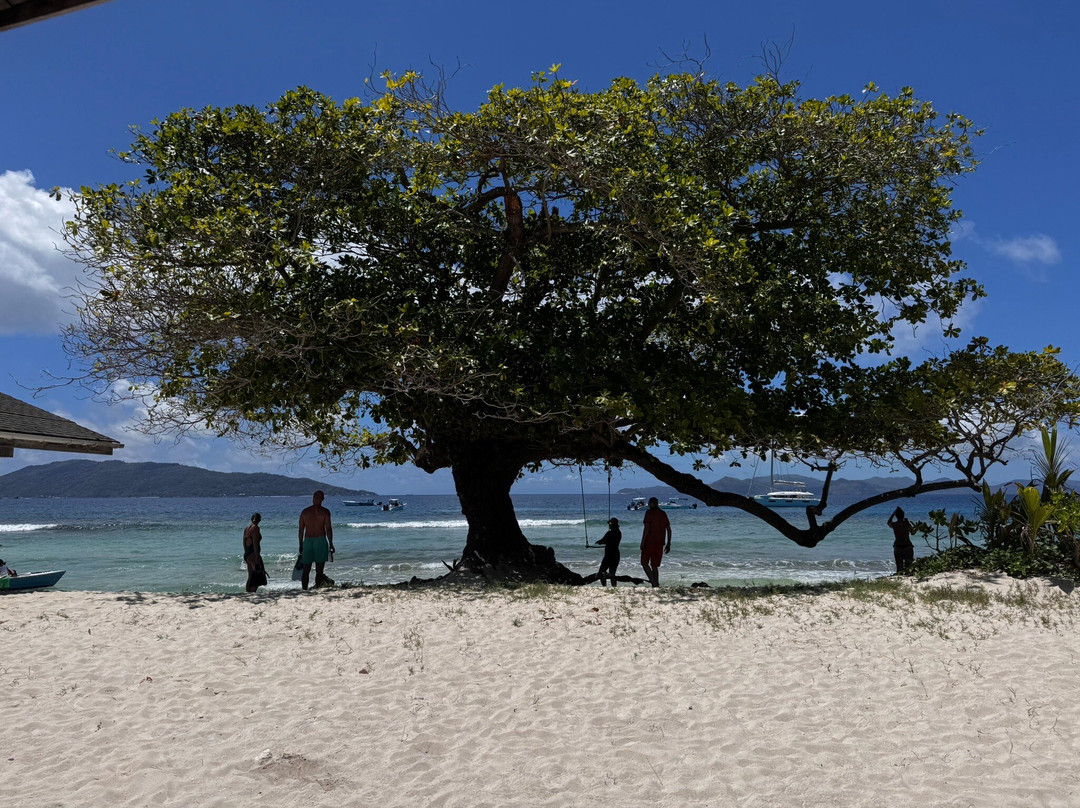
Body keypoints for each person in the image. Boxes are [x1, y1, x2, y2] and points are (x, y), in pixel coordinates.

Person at [298, 490, 335, 590]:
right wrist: (331, 543)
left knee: (306, 570)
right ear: (322, 499)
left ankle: (304, 590)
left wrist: (300, 544)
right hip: (321, 540)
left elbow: (301, 530)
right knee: (319, 570)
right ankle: (317, 588)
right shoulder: (325, 512)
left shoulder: (305, 512)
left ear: (313, 497)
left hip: (308, 541)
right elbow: (328, 529)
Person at [640, 497, 672, 588]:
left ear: (652, 503)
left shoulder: (649, 513)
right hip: (660, 543)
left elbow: (646, 529)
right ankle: (656, 584)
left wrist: (642, 542)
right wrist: (668, 543)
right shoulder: (663, 513)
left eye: (649, 503)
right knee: (654, 565)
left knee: (644, 563)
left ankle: (653, 582)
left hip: (649, 542)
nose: (648, 505)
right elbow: (669, 529)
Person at [243, 513, 266, 593]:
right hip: (253, 553)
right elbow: (255, 543)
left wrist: (246, 554)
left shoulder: (247, 528)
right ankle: (252, 592)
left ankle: (248, 593)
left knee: (250, 575)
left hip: (248, 553)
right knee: (257, 574)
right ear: (259, 520)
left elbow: (244, 543)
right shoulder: (255, 528)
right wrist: (257, 556)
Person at [595, 517, 622, 586]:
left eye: (610, 524)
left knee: (601, 572)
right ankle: (614, 587)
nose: (609, 525)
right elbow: (607, 541)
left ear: (613, 525)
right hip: (616, 555)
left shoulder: (609, 533)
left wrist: (598, 542)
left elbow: (603, 541)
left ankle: (604, 586)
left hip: (608, 556)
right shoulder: (619, 533)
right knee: (612, 574)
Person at [888, 506, 914, 574]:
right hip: (907, 545)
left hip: (898, 546)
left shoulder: (895, 524)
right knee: (909, 566)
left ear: (896, 516)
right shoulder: (907, 524)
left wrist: (893, 514)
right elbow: (913, 532)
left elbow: (888, 522)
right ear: (903, 515)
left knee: (899, 567)